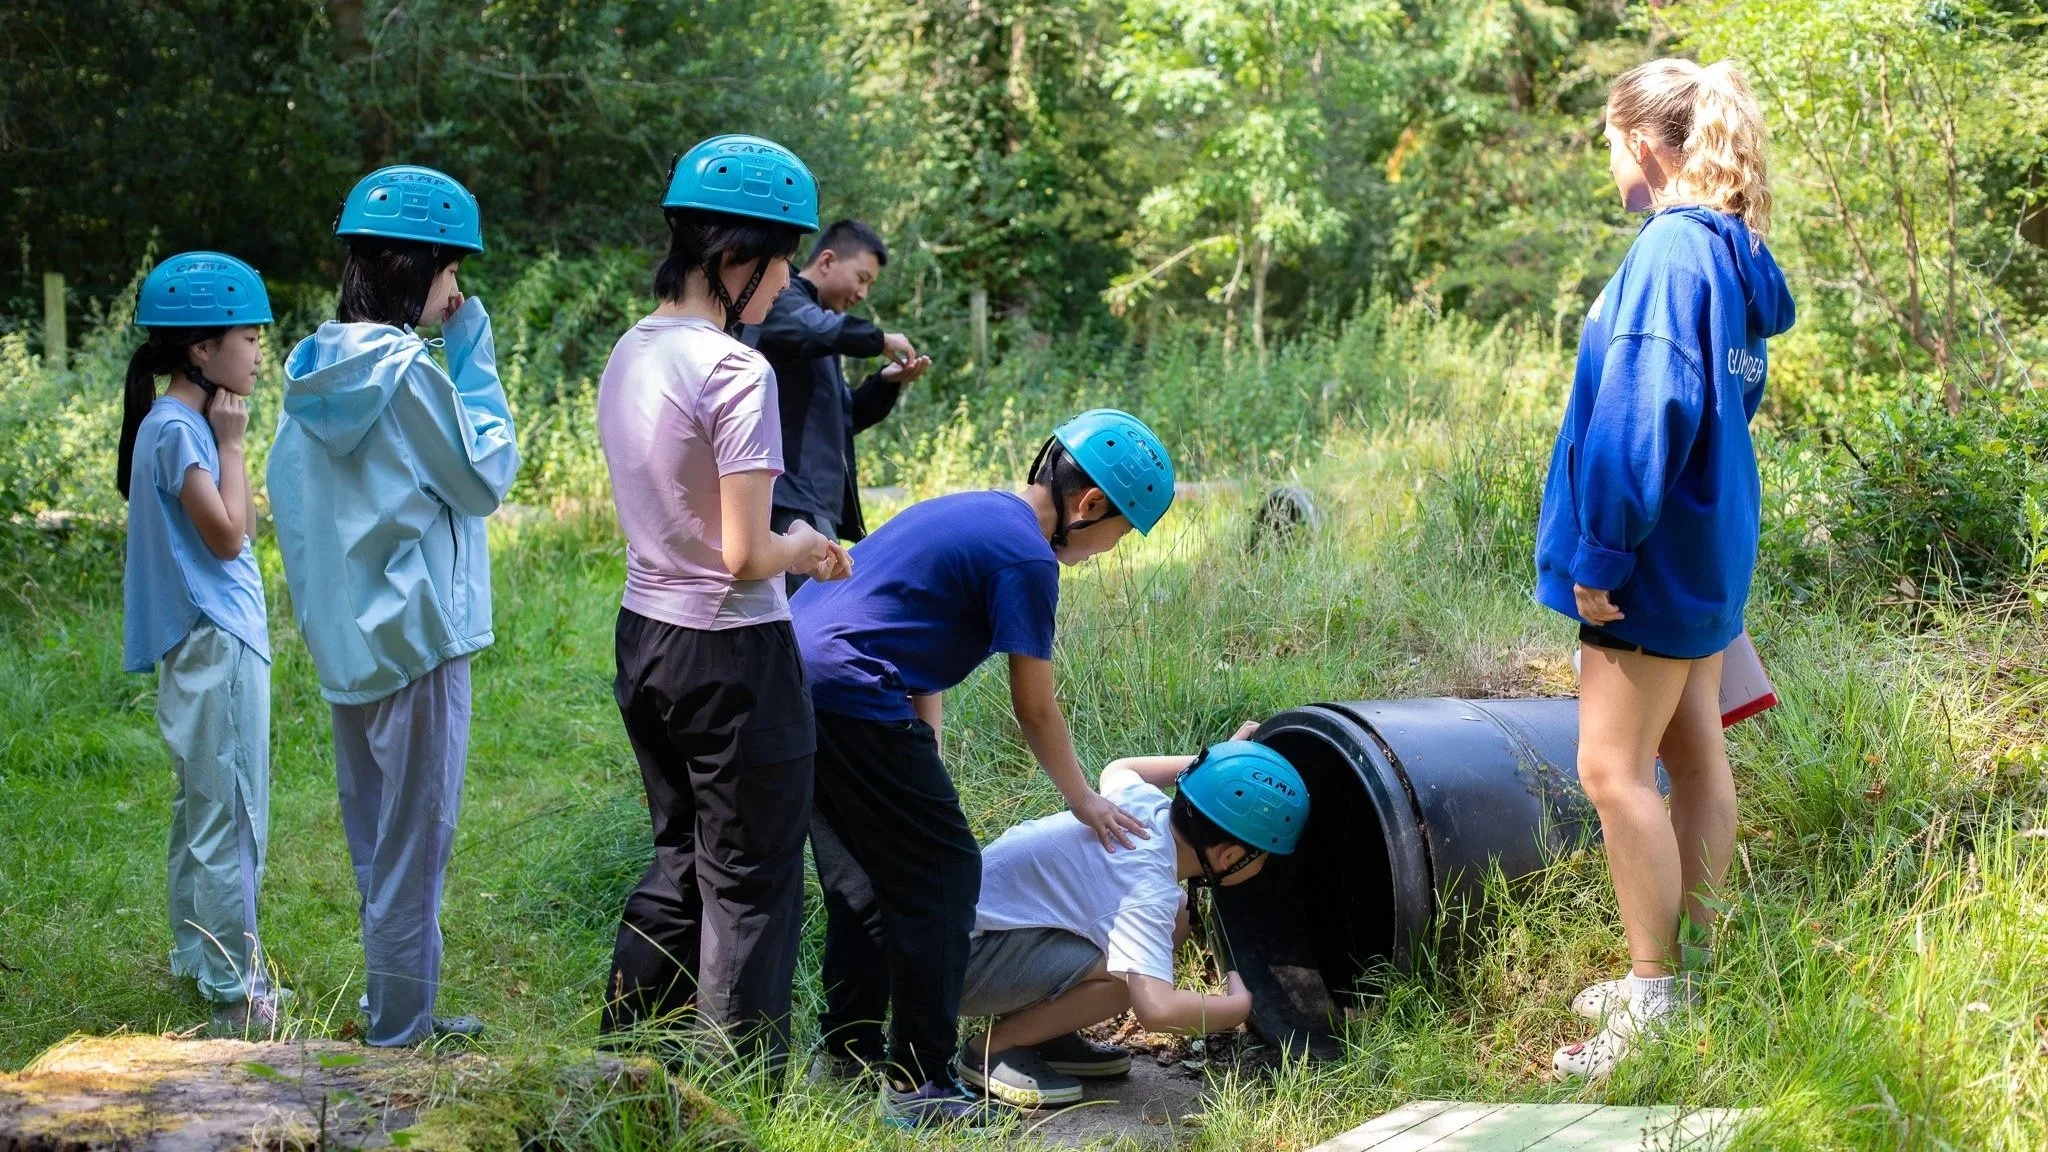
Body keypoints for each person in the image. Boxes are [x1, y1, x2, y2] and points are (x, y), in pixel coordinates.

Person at [792, 408, 1175, 1127]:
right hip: (851, 689)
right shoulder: (1028, 559)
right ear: (1088, 506)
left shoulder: (973, 511)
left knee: (862, 884)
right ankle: (921, 1084)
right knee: (943, 881)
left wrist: (925, 732)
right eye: (1114, 538)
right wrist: (1085, 799)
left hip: (796, 675)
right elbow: (1036, 708)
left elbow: (900, 615)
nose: (1103, 553)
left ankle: (844, 1054)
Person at [1532, 58, 1795, 1079]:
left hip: (1644, 560)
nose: (1609, 162)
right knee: (1692, 758)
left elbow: (1643, 413)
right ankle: (1695, 972)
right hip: (1703, 548)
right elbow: (1734, 400)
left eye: (1608, 143)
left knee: (1609, 771)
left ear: (1642, 144)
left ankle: (1652, 991)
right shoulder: (1732, 254)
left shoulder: (1667, 254)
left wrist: (1600, 554)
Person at [595, 134, 851, 1067]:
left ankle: (625, 1055)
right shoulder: (736, 371)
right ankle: (741, 1099)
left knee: (680, 859)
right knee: (752, 884)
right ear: (736, 258)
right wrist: (810, 548)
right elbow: (748, 555)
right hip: (733, 656)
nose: (788, 281)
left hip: (646, 637)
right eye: (782, 258)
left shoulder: (631, 348)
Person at [270, 164, 519, 1047]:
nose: (458, 293)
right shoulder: (409, 373)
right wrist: (473, 357)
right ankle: (400, 1039)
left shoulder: (312, 373)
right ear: (418, 270)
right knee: (415, 852)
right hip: (417, 644)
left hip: (349, 647)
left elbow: (294, 509)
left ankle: (396, 1012)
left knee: (380, 845)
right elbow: (484, 476)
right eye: (454, 273)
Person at [957, 727, 1309, 1108]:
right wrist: (1237, 1008)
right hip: (961, 966)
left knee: (1177, 918)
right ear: (1229, 857)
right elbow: (1156, 1009)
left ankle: (1042, 1033)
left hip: (973, 932)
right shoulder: (1147, 889)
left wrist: (1218, 769)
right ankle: (994, 1048)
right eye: (1265, 857)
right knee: (1134, 977)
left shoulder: (1144, 804)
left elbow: (1121, 766)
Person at [119, 251, 284, 1036]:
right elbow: (228, 539)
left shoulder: (170, 423)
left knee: (204, 808)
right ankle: (231, 988)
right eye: (248, 337)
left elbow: (239, 529)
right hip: (216, 644)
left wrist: (225, 444)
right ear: (199, 349)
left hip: (212, 644)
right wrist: (234, 442)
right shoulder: (185, 430)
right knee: (232, 816)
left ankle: (199, 956)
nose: (259, 352)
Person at [747, 218, 930, 591]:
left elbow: (844, 418)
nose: (863, 294)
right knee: (802, 624)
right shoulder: (784, 302)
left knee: (810, 620)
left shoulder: (821, 331)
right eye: (862, 278)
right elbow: (816, 328)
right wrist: (878, 339)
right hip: (789, 500)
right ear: (828, 261)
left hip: (814, 504)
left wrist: (884, 383)